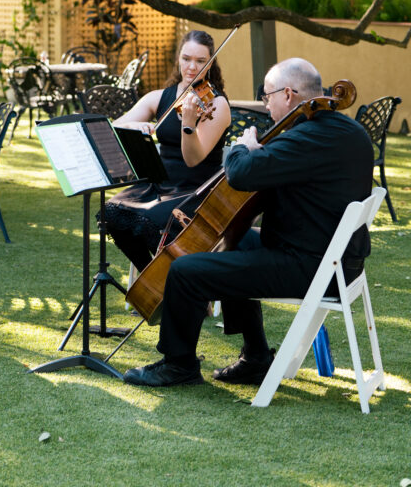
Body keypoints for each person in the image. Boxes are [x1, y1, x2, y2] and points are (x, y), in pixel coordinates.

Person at [123, 57, 374, 389]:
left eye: (267, 96)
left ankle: (178, 364)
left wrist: (242, 147)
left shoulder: (305, 139)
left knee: (185, 269)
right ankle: (256, 356)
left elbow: (240, 173)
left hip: (311, 267)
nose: (265, 105)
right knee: (235, 238)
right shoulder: (349, 131)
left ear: (288, 94)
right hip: (337, 260)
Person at [103, 30, 232, 273]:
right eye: (186, 58)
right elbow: (115, 125)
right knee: (112, 213)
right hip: (160, 184)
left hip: (196, 191)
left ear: (210, 63)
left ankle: (171, 282)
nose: (191, 67)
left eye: (200, 61)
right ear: (178, 59)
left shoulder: (217, 105)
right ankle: (150, 277)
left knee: (149, 219)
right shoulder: (161, 97)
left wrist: (188, 124)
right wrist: (135, 126)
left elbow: (193, 159)